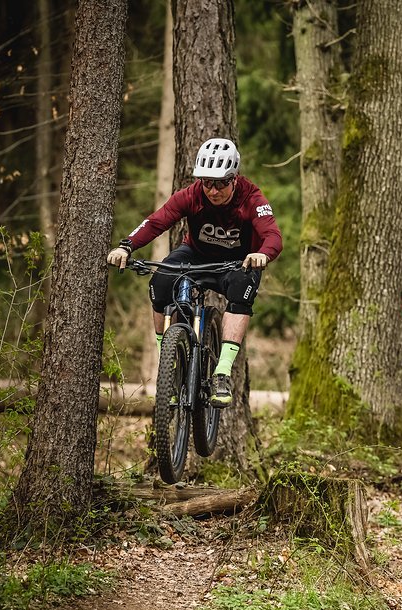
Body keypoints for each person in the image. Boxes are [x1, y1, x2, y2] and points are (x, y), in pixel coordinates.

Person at [106, 138, 282, 408]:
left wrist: (262, 254)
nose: (213, 190)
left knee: (241, 291)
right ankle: (169, 366)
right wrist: (126, 246)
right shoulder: (192, 195)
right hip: (195, 255)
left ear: (234, 178)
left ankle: (222, 373)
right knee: (160, 284)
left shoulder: (251, 198)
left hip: (237, 262)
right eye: (207, 182)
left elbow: (272, 235)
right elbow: (157, 221)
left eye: (221, 183)